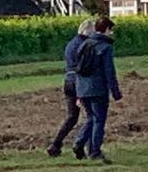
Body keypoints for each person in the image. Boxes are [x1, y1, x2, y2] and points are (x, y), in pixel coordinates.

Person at [73, 16, 123, 163]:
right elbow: (109, 72)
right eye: (111, 30)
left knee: (90, 118)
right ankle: (94, 152)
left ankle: (79, 142)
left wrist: (78, 91)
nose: (111, 34)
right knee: (99, 120)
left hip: (82, 88)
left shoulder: (84, 44)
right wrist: (116, 93)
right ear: (106, 29)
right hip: (98, 89)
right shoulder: (105, 47)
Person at [47, 17, 96, 158]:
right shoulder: (86, 45)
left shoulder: (70, 44)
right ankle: (82, 145)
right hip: (79, 82)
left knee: (72, 117)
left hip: (68, 80)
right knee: (92, 116)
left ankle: (56, 144)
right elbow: (85, 66)